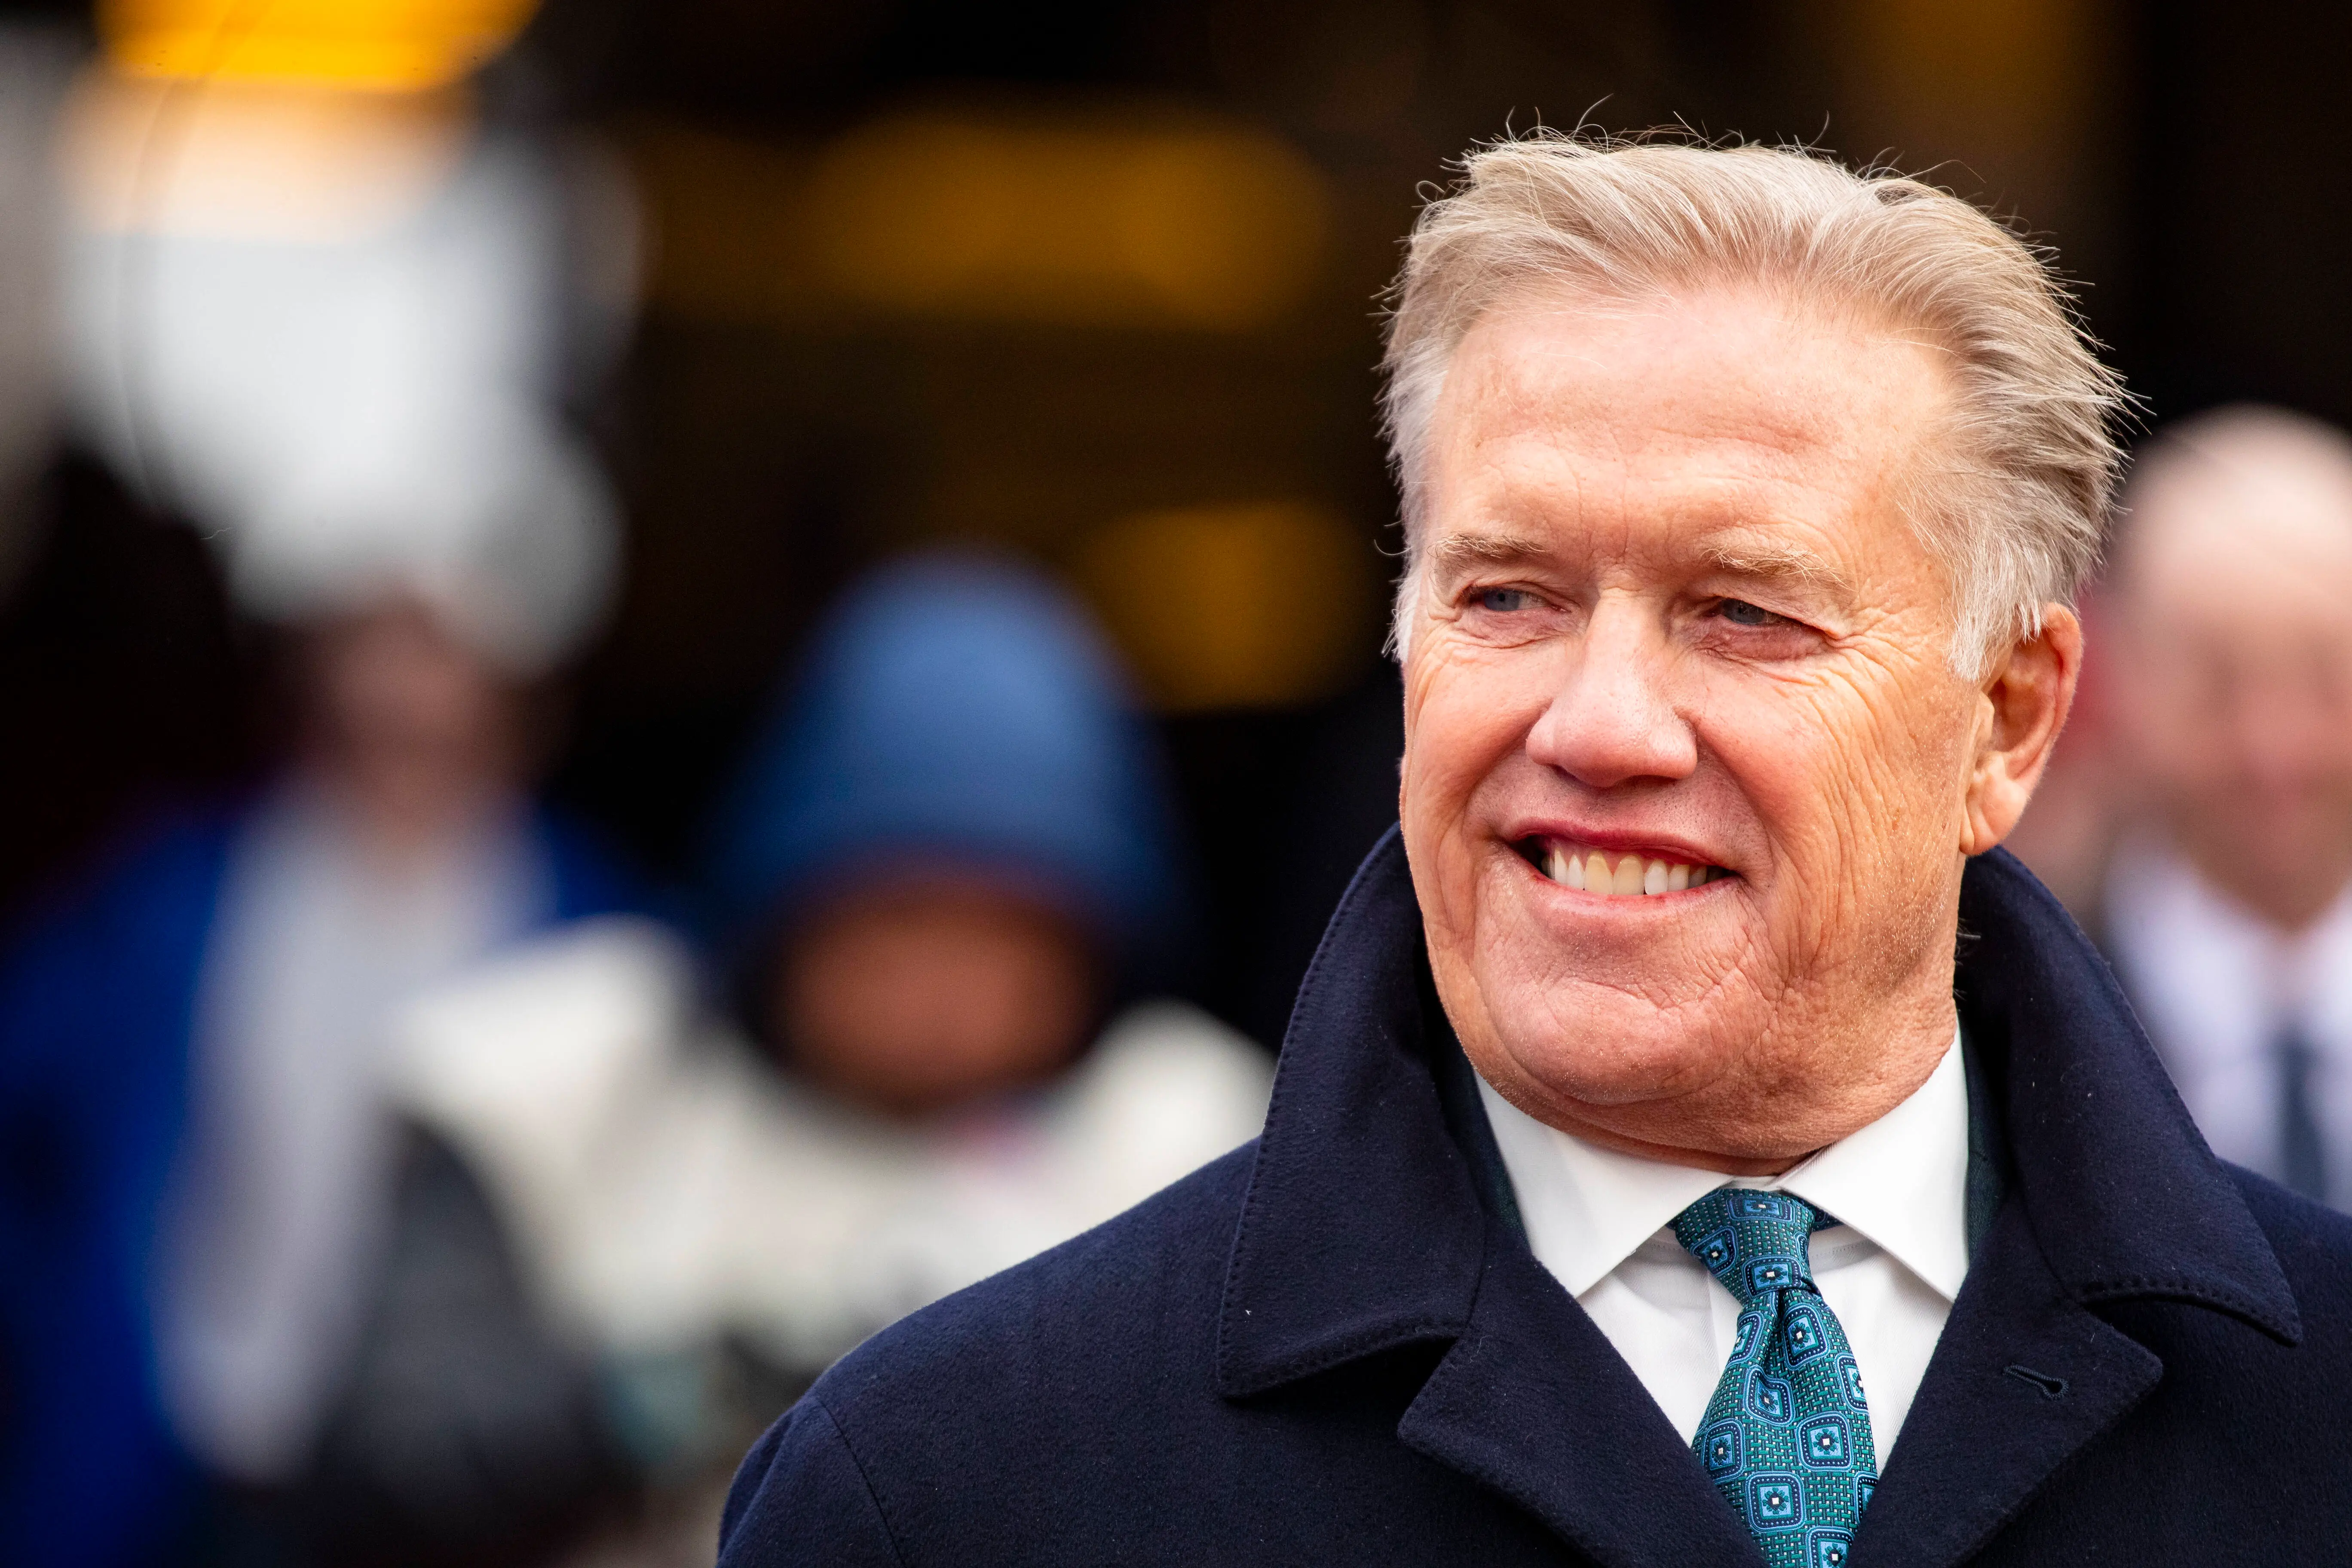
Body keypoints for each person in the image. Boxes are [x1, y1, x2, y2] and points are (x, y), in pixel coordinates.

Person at [715, 135, 2352, 1566]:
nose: (1602, 721)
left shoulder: (2316, 1413)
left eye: (1742, 611)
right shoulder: (952, 1488)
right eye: (1508, 595)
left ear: (2005, 718)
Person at [382, 554, 1271, 1554]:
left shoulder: (1198, 1137)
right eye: (899, 919)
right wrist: (683, 1394)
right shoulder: (578, 1078)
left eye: (1006, 935)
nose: (944, 994)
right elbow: (394, 1459)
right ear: (792, 902)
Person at [0, 475, 631, 1568]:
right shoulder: (166, 898)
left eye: (438, 649)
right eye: (372, 643)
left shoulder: (597, 937)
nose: (402, 690)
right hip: (175, 1467)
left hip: (465, 1510)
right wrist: (54, 1330)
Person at [2093, 407, 2352, 1211]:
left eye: (2325, 679)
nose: (2274, 752)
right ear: (2119, 676)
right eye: (2214, 685)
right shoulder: (2011, 1009)